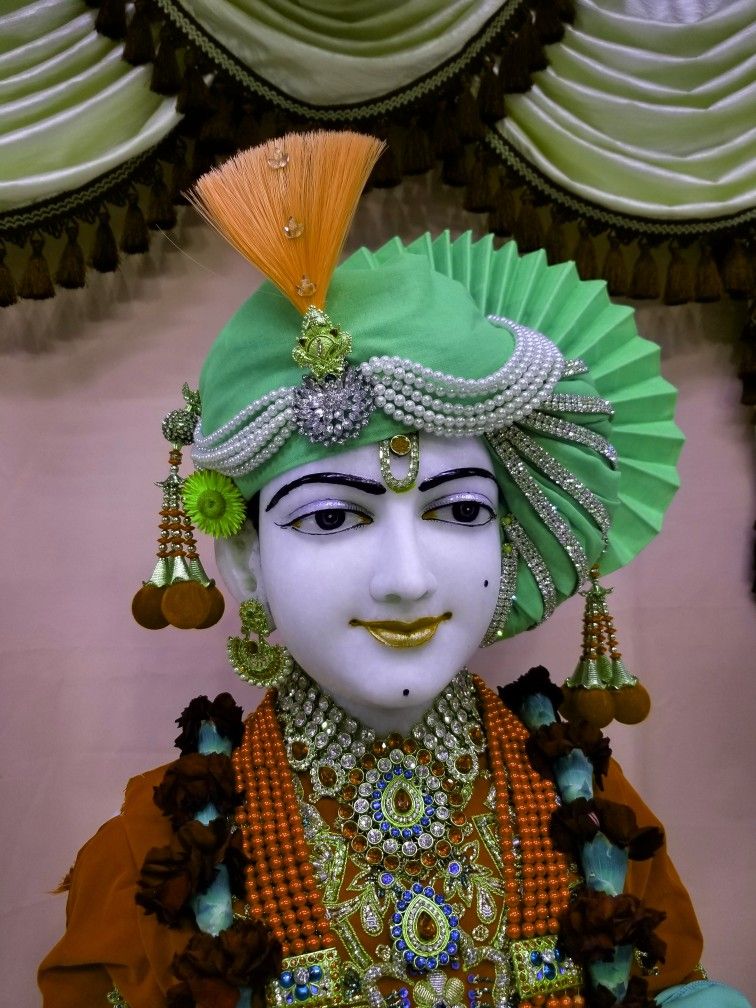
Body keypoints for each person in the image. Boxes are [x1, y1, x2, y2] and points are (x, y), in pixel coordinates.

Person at [38, 132, 749, 1008]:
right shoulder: (154, 856)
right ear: (244, 560)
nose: (408, 579)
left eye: (460, 512)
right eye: (334, 517)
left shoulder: (599, 816)